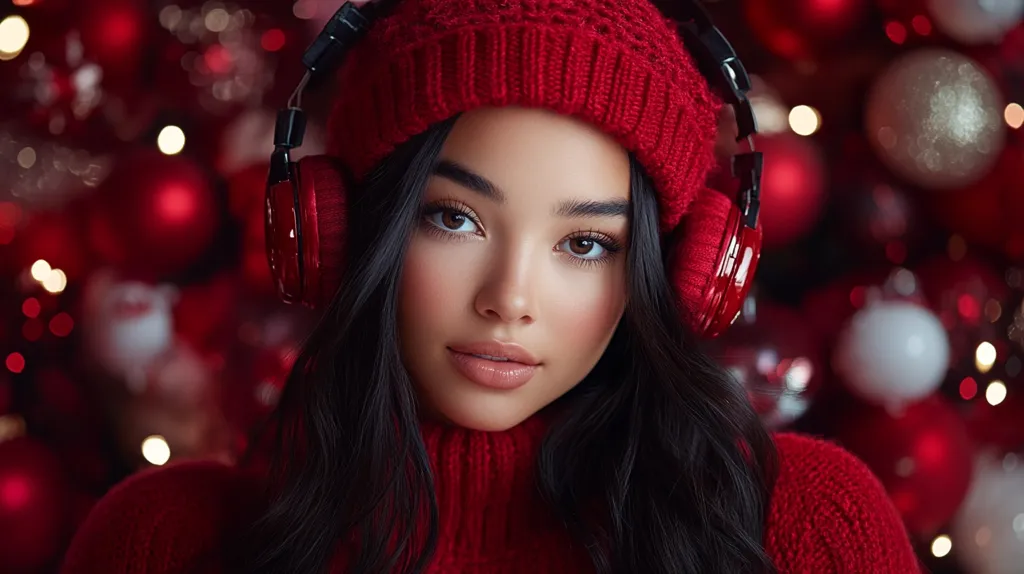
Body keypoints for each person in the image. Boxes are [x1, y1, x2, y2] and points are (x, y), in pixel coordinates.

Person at [62, 0, 923, 572]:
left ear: (675, 272)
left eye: (585, 243)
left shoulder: (810, 528)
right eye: (455, 219)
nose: (510, 298)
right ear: (346, 230)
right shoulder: (166, 542)